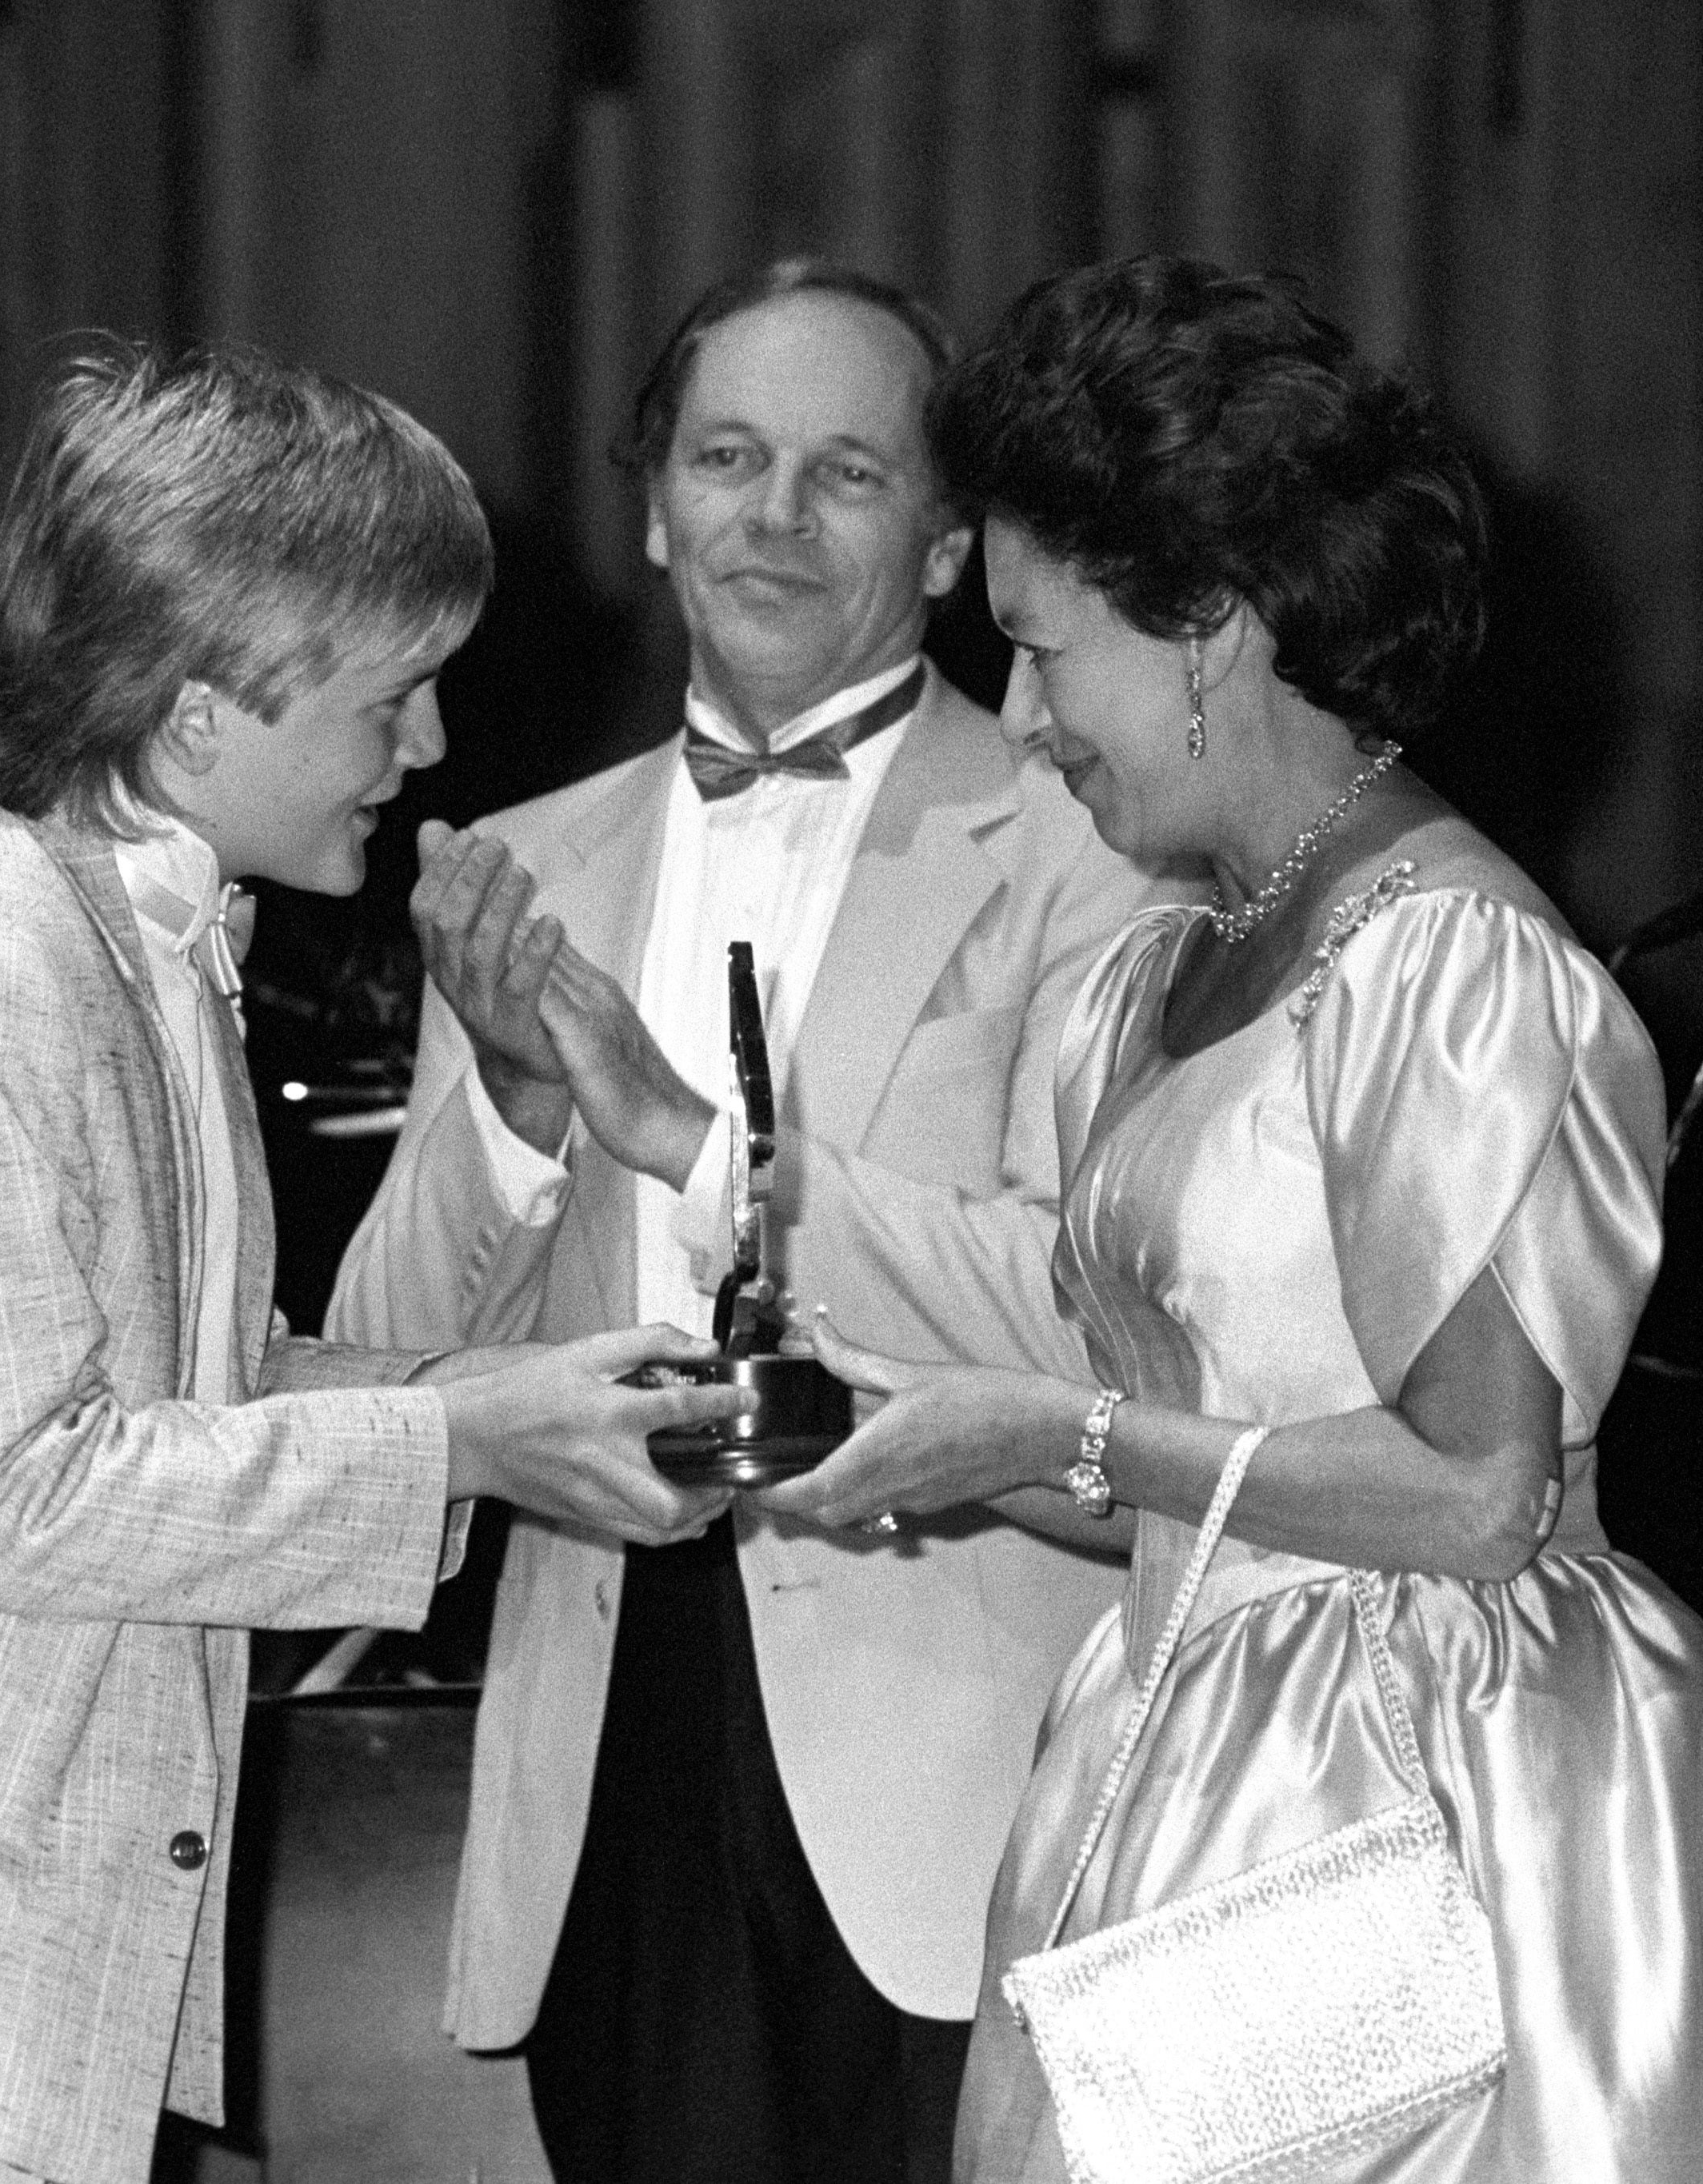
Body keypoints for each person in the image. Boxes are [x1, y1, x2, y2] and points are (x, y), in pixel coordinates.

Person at [757, 257, 1703, 2180]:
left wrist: (1051, 1426)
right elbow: (1187, 1476)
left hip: (1434, 1787)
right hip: (1182, 1768)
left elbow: (1474, 1495)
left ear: (1206, 622)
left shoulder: (1450, 963)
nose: (1017, 716)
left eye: (1042, 649)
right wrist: (902, 1427)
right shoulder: (1149, 975)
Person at [0, 342, 748, 2184]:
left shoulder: (145, 947)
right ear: (197, 715)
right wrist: (464, 1444)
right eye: (395, 694)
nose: (426, 751)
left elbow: (205, 1387)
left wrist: (509, 1403)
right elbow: (15, 1492)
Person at [330, 260, 1177, 2182]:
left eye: (844, 473)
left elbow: (1110, 1328)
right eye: (725, 458)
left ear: (953, 547)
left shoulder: (1093, 840)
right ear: (652, 505)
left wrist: (693, 1134)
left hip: (960, 1748)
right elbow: (377, 1362)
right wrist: (523, 1122)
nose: (770, 517)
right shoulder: (518, 859)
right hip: (609, 1718)